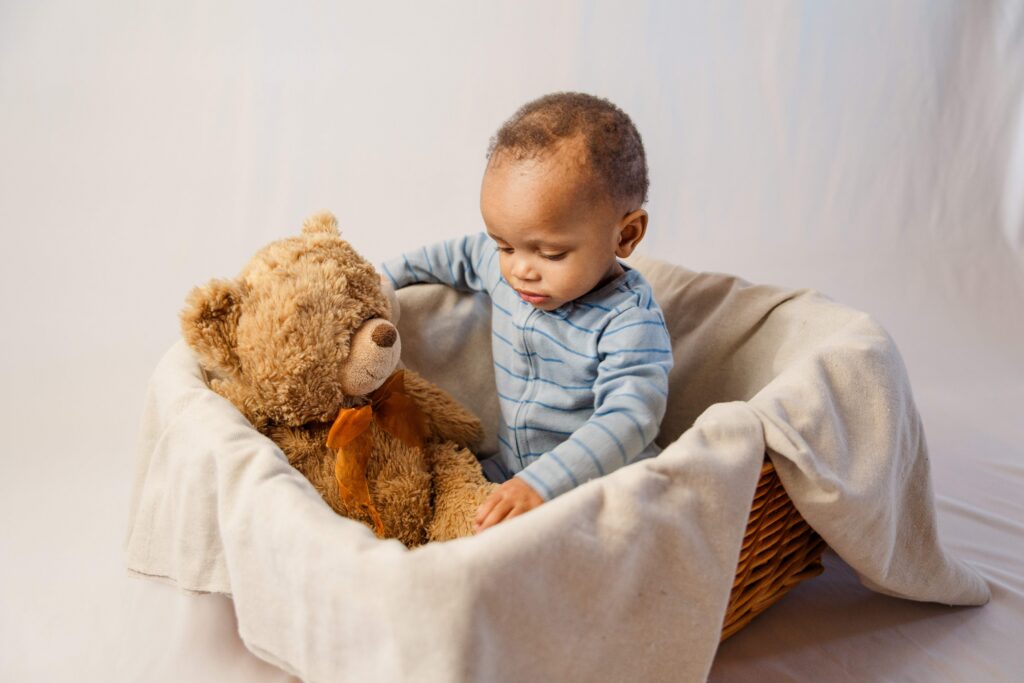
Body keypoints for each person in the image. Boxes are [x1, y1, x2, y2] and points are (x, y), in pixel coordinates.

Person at [381, 92, 673, 533]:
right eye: (504, 245)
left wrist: (543, 484)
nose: (519, 269)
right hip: (512, 470)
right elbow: (453, 255)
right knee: (436, 506)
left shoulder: (627, 320)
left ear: (626, 234)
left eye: (552, 253)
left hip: (601, 488)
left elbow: (630, 417)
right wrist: (376, 282)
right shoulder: (505, 267)